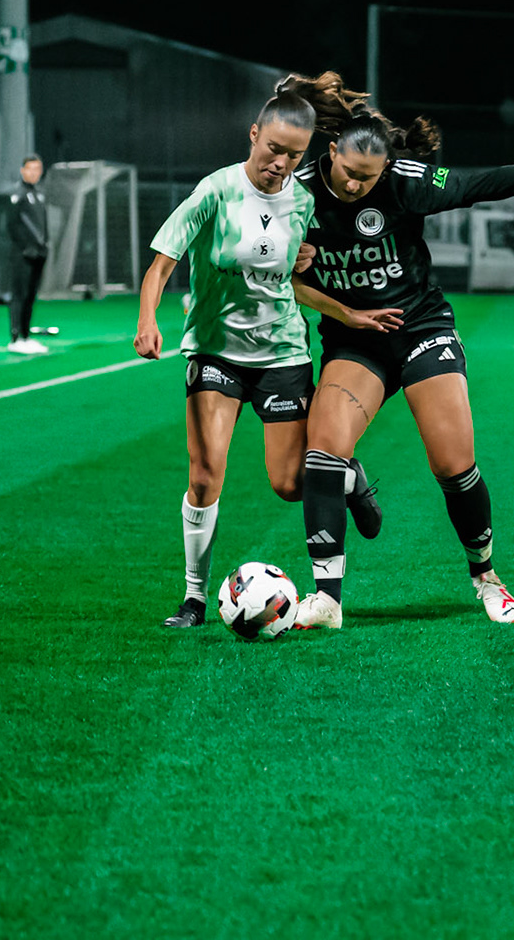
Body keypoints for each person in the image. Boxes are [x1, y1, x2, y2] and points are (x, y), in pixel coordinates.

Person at [284, 73, 514, 629]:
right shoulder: (295, 192)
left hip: (420, 328)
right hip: (355, 338)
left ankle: (485, 576)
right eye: (350, 174)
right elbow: (259, 255)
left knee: (453, 464)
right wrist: (288, 260)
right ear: (331, 152)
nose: (360, 186)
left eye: (370, 177)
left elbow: (482, 183)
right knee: (322, 452)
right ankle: (328, 599)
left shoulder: (405, 181)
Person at [134, 82, 394, 629]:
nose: (281, 162)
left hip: (281, 354)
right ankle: (195, 598)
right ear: (254, 134)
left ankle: (348, 479)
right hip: (215, 352)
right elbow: (162, 263)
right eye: (273, 147)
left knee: (288, 484)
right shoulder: (215, 191)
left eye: (294, 155)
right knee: (205, 473)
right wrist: (147, 321)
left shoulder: (302, 202)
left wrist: (346, 312)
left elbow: (294, 284)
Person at [7, 154, 51, 354]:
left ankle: (26, 336)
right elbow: (12, 225)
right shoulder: (18, 194)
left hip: (38, 255)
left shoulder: (39, 194)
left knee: (31, 295)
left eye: (37, 169)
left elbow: (43, 226)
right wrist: (25, 247)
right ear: (22, 170)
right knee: (20, 294)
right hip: (22, 255)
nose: (34, 173)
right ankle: (16, 338)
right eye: (30, 169)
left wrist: (44, 246)